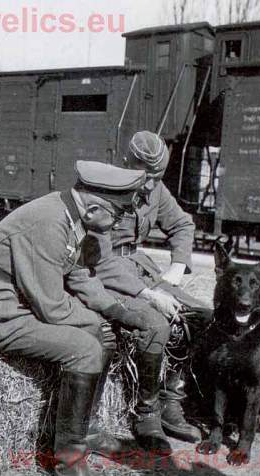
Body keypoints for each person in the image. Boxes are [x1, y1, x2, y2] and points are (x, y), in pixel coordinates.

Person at [0, 161, 148, 476]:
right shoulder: (49, 222)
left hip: (16, 302)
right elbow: (52, 307)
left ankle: (87, 430)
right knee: (85, 348)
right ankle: (67, 461)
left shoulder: (71, 217)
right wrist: (94, 321)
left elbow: (80, 276)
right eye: (118, 213)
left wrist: (120, 313)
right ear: (93, 208)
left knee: (104, 334)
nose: (119, 222)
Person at [73, 131, 210, 448]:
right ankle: (145, 412)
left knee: (201, 315)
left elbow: (182, 224)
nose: (149, 185)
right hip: (105, 272)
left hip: (140, 266)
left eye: (157, 177)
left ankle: (170, 401)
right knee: (156, 324)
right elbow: (100, 259)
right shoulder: (106, 186)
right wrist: (149, 295)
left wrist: (176, 270)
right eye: (144, 175)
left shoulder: (156, 188)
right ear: (126, 161)